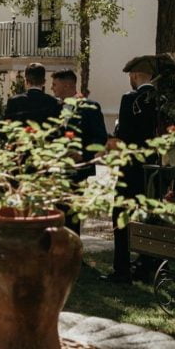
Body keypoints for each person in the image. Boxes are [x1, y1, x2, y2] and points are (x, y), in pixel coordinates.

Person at [103, 56, 160, 284]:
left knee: (120, 217)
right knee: (149, 217)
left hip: (131, 167)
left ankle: (122, 269)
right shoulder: (160, 100)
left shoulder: (130, 99)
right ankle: (147, 266)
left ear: (135, 76)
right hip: (154, 166)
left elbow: (124, 135)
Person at [50, 69, 108, 234]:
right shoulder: (55, 108)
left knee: (73, 215)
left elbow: (99, 137)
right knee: (58, 214)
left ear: (68, 85)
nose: (52, 88)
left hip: (79, 169)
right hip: (57, 168)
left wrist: (83, 155)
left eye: (55, 84)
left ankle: (73, 254)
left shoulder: (90, 107)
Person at [4, 62, 63, 126]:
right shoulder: (54, 102)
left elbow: (6, 127)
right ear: (44, 82)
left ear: (26, 81)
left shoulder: (14, 102)